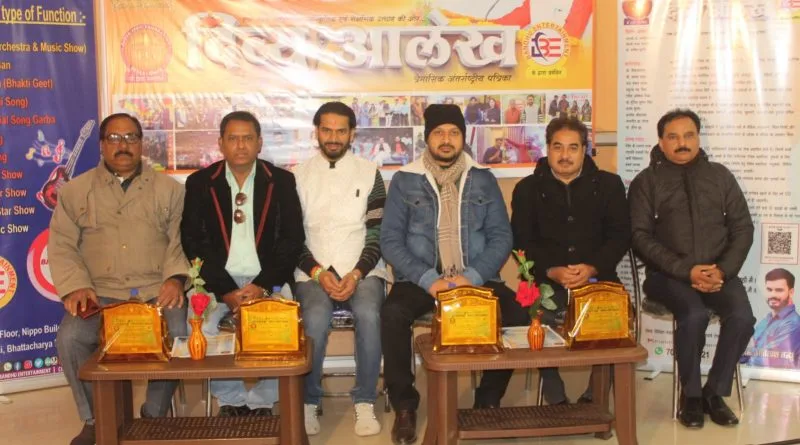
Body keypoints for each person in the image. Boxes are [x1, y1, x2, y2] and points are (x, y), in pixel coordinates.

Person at [380, 104, 520, 444]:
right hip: (421, 279)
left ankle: (487, 400)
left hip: (475, 277)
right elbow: (390, 241)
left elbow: (502, 237)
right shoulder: (405, 180)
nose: (446, 140)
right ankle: (405, 406)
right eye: (439, 133)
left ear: (463, 137)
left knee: (517, 314)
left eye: (454, 133)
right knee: (392, 314)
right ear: (427, 138)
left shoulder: (483, 178)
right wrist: (431, 280)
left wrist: (472, 277)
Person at [50, 113, 189, 445]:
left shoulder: (170, 190)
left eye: (131, 138)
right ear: (101, 145)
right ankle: (94, 419)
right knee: (70, 338)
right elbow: (62, 244)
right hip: (100, 293)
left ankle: (154, 414)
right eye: (114, 138)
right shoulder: (75, 191)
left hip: (156, 290)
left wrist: (175, 278)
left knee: (177, 330)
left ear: (142, 144)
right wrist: (76, 286)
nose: (123, 145)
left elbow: (180, 240)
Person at [629, 108, 755, 429]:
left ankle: (714, 392)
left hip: (718, 272)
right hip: (666, 276)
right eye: (673, 137)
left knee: (742, 317)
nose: (682, 143)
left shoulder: (720, 176)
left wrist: (722, 271)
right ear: (661, 142)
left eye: (689, 135)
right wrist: (686, 271)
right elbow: (640, 237)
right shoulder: (646, 182)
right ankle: (692, 396)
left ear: (698, 138)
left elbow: (742, 227)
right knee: (694, 314)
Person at [181, 110, 305, 417]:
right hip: (215, 282)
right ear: (220, 143)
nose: (240, 145)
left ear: (259, 143)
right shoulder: (200, 183)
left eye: (247, 138)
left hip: (268, 280)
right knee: (201, 327)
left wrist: (261, 285)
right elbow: (193, 241)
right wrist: (225, 290)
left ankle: (262, 401)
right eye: (233, 138)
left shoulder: (281, 181)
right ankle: (231, 400)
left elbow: (292, 240)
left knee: (280, 331)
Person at [511, 117, 630, 405]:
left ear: (584, 150)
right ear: (547, 149)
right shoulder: (527, 189)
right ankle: (555, 396)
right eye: (558, 147)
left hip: (598, 279)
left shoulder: (609, 185)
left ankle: (594, 399)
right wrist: (551, 270)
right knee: (532, 317)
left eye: (573, 148)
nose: (565, 155)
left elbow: (620, 236)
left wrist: (592, 267)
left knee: (612, 321)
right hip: (545, 279)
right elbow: (521, 242)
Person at [292, 101, 389, 436]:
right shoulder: (297, 176)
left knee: (368, 314)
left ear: (352, 134)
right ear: (316, 132)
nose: (333, 137)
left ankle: (364, 401)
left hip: (363, 270)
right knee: (315, 317)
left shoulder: (370, 173)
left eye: (341, 131)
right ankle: (308, 402)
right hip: (312, 273)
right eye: (327, 130)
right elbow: (292, 238)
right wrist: (318, 273)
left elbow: (377, 233)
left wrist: (357, 273)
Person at [746, 268, 800, 368]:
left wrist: (746, 355)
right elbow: (744, 353)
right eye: (769, 289)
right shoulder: (765, 320)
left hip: (773, 377)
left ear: (791, 292)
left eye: (779, 290)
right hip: (753, 375)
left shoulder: (793, 323)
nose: (772, 295)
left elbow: (766, 360)